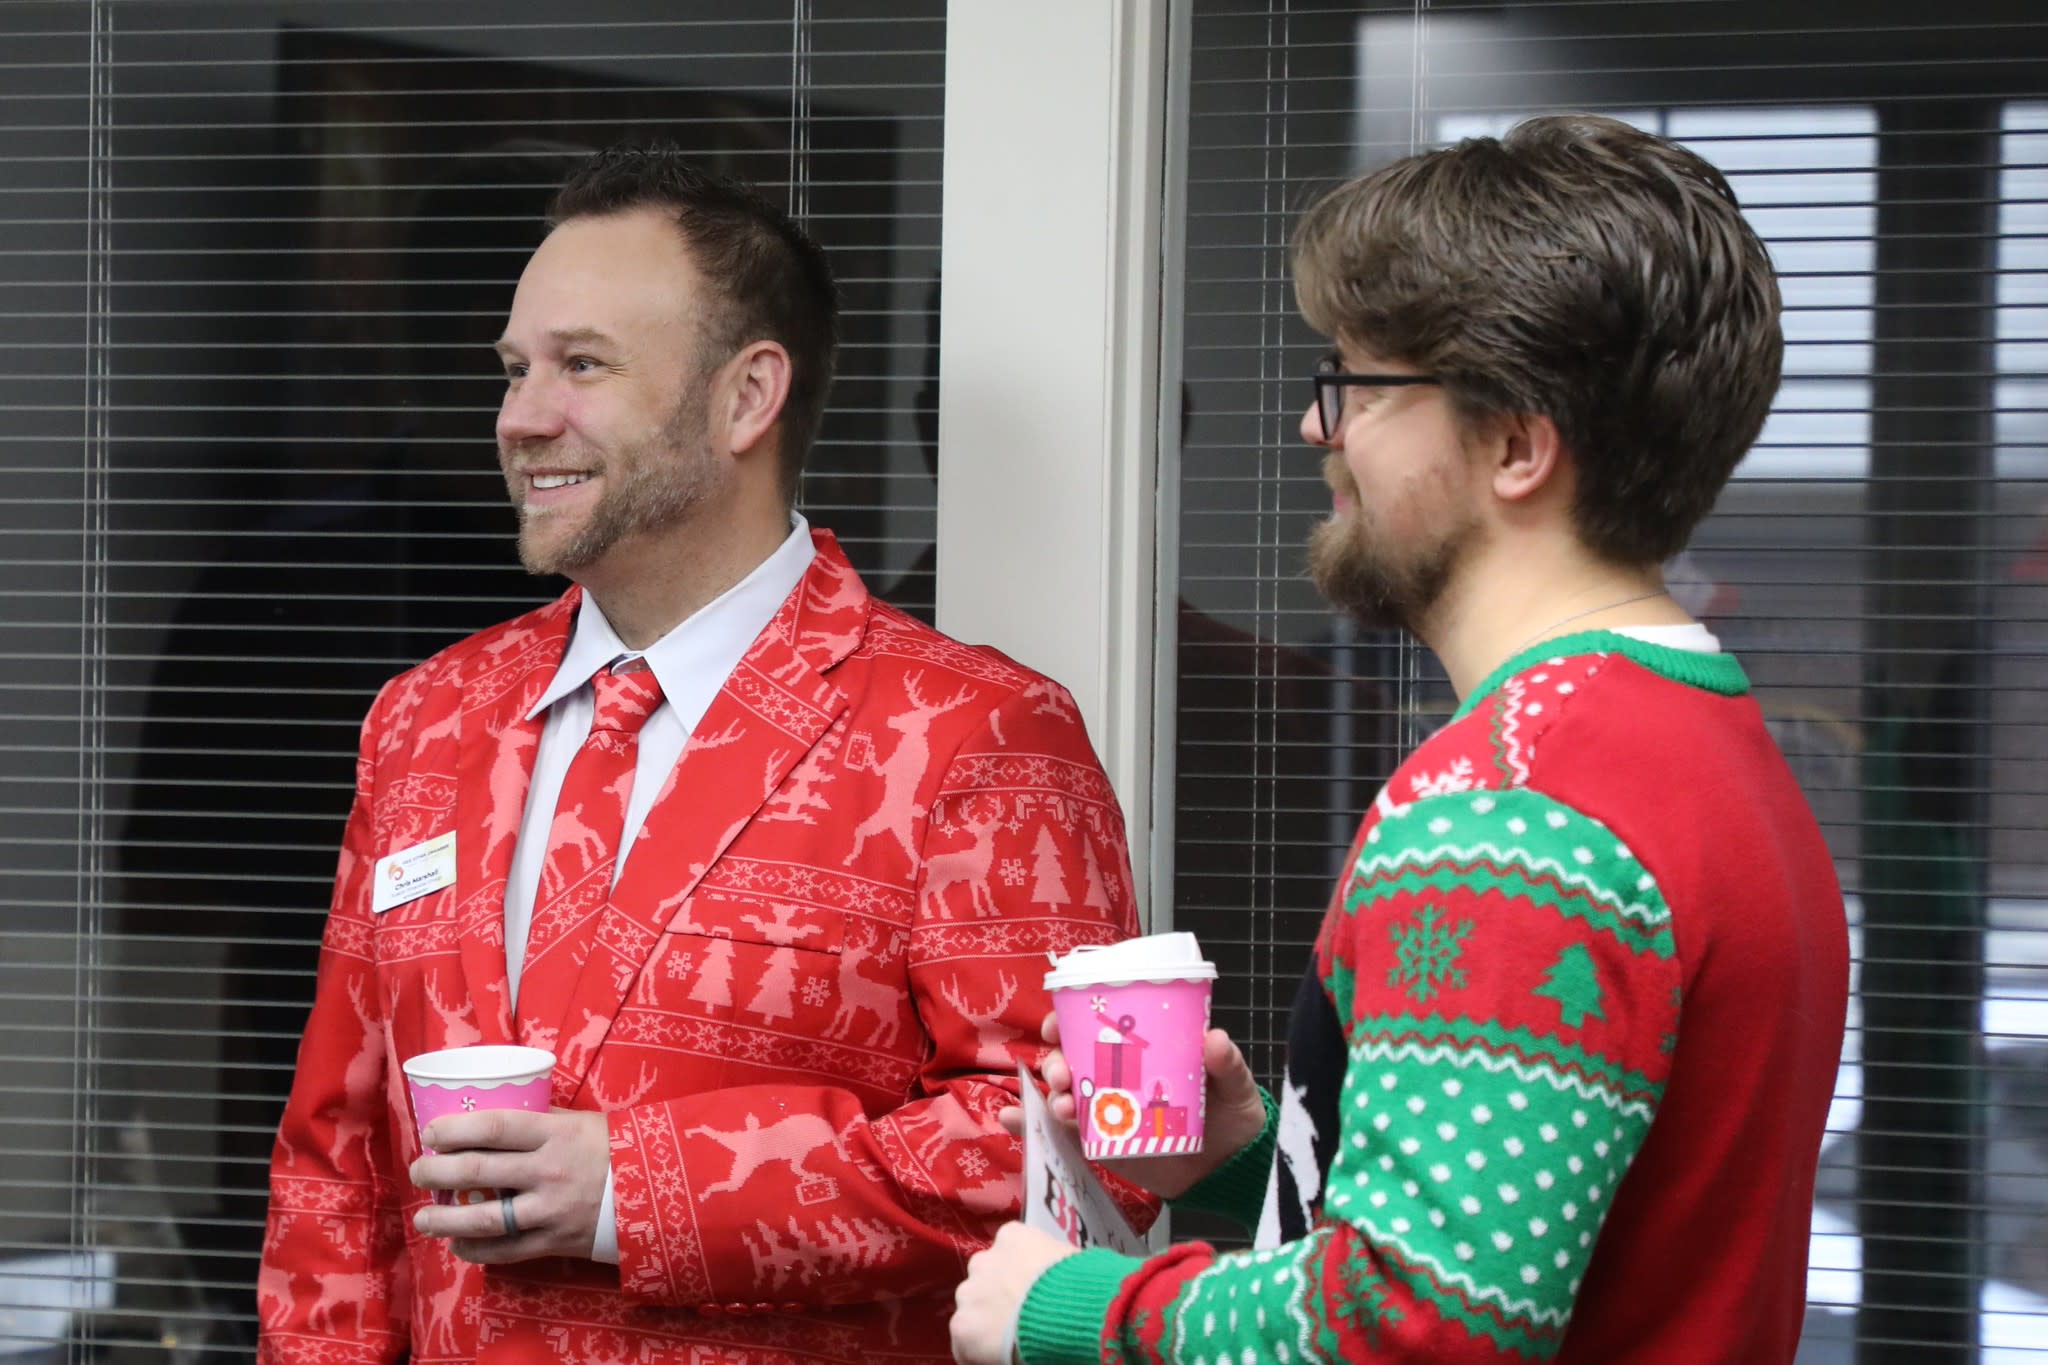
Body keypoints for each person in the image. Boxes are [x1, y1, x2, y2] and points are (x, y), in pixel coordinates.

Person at [952, 113, 1850, 1365]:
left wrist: (1074, 1311)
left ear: (1515, 443)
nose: (1317, 429)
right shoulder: (1703, 736)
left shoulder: (1511, 805)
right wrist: (1255, 1151)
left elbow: (1418, 1326)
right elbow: (1533, 1242)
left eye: (1358, 387)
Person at [257, 143, 1146, 1365]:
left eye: (581, 365)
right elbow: (338, 1162)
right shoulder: (426, 721)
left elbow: (1079, 1151)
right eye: (514, 370)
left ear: (747, 397)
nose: (520, 418)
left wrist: (637, 1193)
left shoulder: (972, 733)